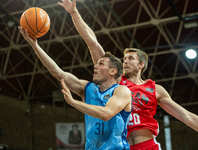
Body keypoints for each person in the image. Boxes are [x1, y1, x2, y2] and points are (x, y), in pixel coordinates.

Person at [58, 0, 198, 149]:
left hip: (147, 145)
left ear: (141, 65)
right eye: (124, 59)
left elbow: (186, 117)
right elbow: (92, 42)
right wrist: (74, 13)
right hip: (122, 146)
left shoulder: (156, 89)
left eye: (130, 59)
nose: (125, 62)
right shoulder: (117, 81)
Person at [18, 26, 132, 150]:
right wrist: (35, 46)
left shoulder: (121, 91)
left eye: (101, 64)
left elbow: (106, 114)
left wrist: (73, 102)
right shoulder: (87, 88)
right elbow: (58, 73)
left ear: (113, 71)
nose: (95, 66)